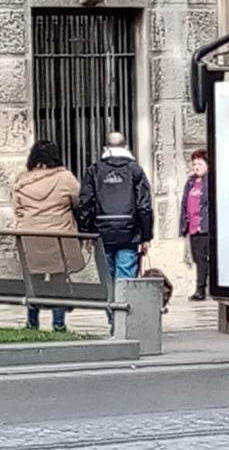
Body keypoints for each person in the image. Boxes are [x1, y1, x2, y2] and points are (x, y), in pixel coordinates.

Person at [14, 140, 81, 332]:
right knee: (59, 280)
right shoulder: (65, 178)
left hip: (31, 237)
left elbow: (18, 210)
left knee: (34, 280)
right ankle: (58, 323)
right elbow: (78, 202)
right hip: (59, 237)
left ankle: (32, 322)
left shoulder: (22, 180)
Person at [78, 132, 154, 279]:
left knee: (107, 278)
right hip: (129, 233)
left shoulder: (94, 171)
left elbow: (85, 204)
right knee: (125, 279)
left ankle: (111, 301)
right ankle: (123, 302)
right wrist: (146, 236)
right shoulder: (135, 170)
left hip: (102, 233)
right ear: (126, 147)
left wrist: (85, 232)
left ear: (105, 148)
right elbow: (144, 206)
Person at [180, 149, 211, 301]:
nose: (196, 167)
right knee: (198, 259)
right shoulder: (190, 182)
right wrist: (183, 228)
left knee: (206, 259)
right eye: (194, 164)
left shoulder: (210, 181)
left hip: (206, 227)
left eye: (199, 163)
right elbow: (184, 204)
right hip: (193, 227)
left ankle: (202, 289)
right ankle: (201, 288)